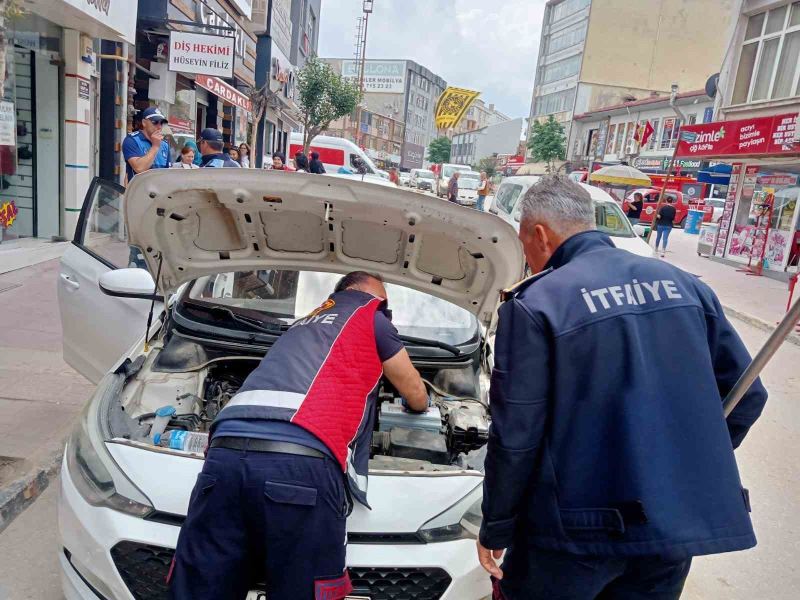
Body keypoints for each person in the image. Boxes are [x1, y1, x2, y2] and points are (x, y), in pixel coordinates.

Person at [477, 175, 767, 600]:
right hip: (667, 531)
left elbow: (517, 436)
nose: (526, 255)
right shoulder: (686, 286)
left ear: (539, 234)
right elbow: (748, 395)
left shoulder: (538, 304)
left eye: (523, 242)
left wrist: (497, 525)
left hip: (571, 537)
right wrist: (678, 463)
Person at [170, 271, 429, 599]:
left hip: (223, 457)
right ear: (368, 295)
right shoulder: (370, 315)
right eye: (384, 302)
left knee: (202, 587)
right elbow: (416, 393)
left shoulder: (304, 323)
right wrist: (422, 404)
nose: (385, 309)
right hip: (298, 468)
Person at [122, 107, 171, 182]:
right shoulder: (132, 140)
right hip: (139, 192)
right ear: (144, 122)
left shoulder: (165, 145)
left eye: (161, 123)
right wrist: (155, 146)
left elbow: (168, 174)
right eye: (155, 122)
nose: (159, 127)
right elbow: (139, 168)